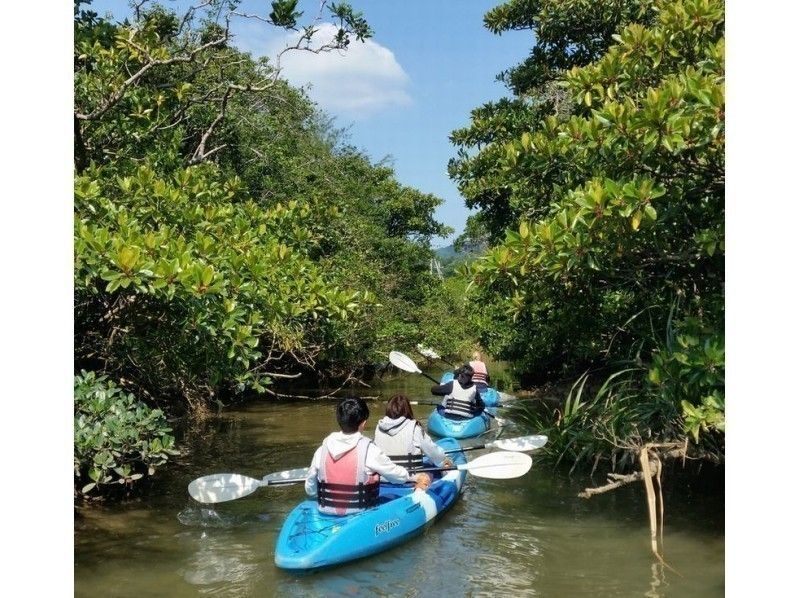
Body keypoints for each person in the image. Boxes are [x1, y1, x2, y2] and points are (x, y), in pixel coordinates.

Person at [305, 397, 431, 515]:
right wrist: (415, 477)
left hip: (325, 511)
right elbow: (394, 475)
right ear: (363, 423)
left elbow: (310, 488)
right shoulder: (369, 450)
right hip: (361, 514)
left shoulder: (321, 450)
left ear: (339, 420)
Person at [375, 394, 454, 470]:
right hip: (412, 478)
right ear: (407, 409)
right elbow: (435, 454)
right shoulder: (415, 428)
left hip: (383, 477)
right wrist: (445, 458)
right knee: (442, 463)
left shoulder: (379, 427)